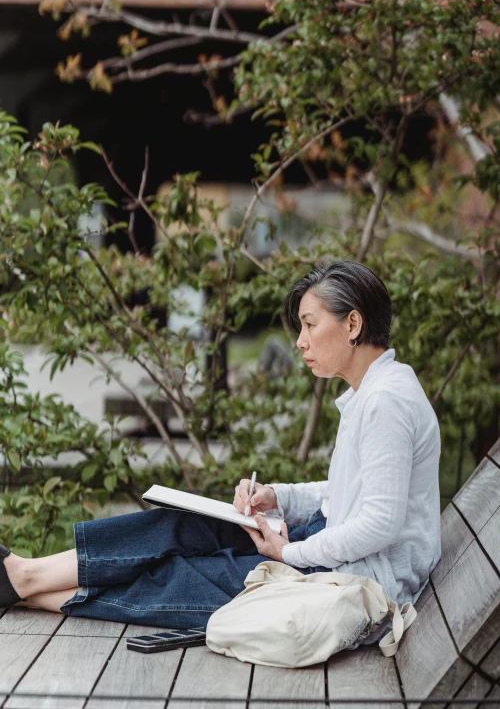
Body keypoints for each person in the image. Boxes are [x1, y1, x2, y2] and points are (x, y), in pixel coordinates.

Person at [0, 260, 441, 644]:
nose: (301, 341)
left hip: (352, 583)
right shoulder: (375, 391)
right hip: (332, 550)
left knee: (185, 578)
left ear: (352, 324)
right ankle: (24, 575)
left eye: (310, 324)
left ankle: (22, 584)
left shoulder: (386, 401)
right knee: (185, 525)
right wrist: (279, 496)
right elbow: (355, 488)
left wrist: (288, 554)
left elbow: (380, 523)